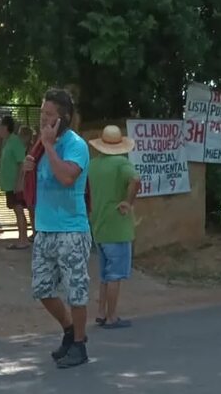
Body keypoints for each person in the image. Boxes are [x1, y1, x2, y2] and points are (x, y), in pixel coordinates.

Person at [22, 88, 91, 368]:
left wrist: (49, 146)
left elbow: (66, 178)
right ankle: (68, 330)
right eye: (41, 113)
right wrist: (28, 166)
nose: (43, 119)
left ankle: (80, 345)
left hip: (71, 230)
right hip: (45, 228)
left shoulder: (76, 145)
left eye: (49, 114)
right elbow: (27, 185)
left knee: (76, 291)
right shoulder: (39, 146)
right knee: (42, 288)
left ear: (63, 118)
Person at [88, 125, 140, 329]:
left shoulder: (93, 165)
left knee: (104, 275)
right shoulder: (121, 163)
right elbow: (135, 179)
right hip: (117, 226)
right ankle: (111, 316)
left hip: (99, 224)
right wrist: (128, 201)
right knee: (115, 275)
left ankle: (101, 313)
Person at [0, 115, 29, 250]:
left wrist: (19, 182)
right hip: (10, 184)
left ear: (5, 127)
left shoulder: (14, 141)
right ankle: (22, 239)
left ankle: (23, 240)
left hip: (15, 184)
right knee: (17, 211)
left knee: (19, 210)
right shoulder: (7, 141)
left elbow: (22, 162)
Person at [18, 125, 36, 241]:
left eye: (22, 135)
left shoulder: (32, 148)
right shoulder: (22, 148)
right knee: (30, 208)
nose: (20, 137)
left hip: (32, 181)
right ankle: (34, 231)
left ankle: (36, 232)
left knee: (32, 208)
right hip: (26, 181)